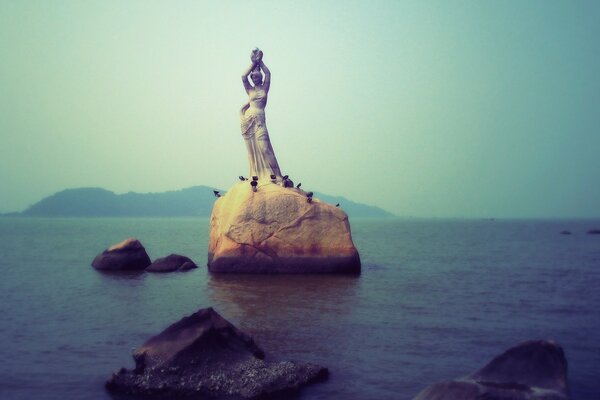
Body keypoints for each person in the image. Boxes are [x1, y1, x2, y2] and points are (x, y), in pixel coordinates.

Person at [240, 49, 282, 181]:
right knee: (252, 152)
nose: (254, 78)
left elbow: (268, 73)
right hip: (248, 121)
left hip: (260, 120)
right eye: (253, 76)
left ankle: (277, 176)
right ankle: (257, 176)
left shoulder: (265, 88)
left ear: (261, 77)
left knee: (265, 148)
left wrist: (260, 62)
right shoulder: (249, 89)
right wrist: (253, 64)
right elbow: (243, 76)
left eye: (256, 76)